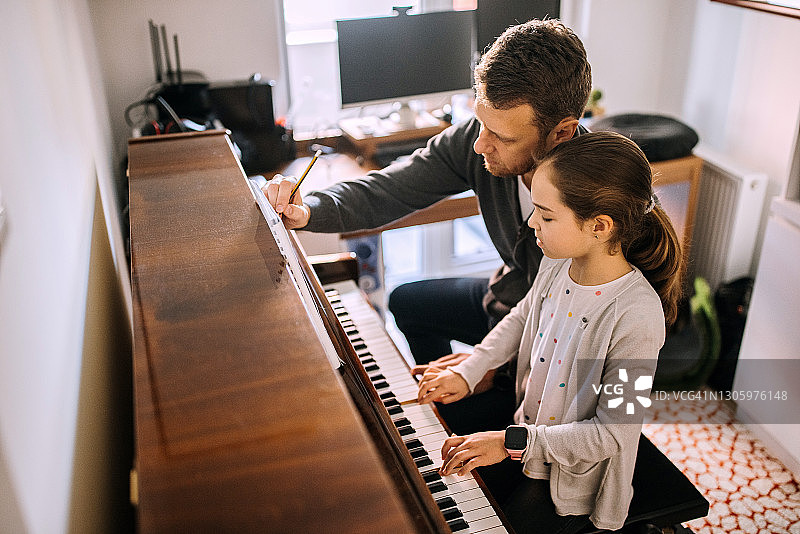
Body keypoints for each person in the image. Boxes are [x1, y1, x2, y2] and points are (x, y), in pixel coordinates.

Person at [263, 19, 592, 425]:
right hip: (510, 307)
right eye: (481, 123)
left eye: (501, 137)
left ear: (561, 133)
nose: (479, 145)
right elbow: (389, 190)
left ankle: (469, 420)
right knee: (408, 302)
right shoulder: (479, 139)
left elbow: (594, 341)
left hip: (559, 351)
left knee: (473, 438)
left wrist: (492, 371)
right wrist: (308, 208)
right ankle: (448, 413)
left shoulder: (602, 195)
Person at [415, 131, 684, 533]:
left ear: (600, 226)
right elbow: (524, 315)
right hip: (526, 437)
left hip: (572, 483)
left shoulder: (636, 316)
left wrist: (510, 442)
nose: (531, 223)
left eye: (546, 214)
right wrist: (470, 369)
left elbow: (612, 434)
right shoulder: (558, 261)